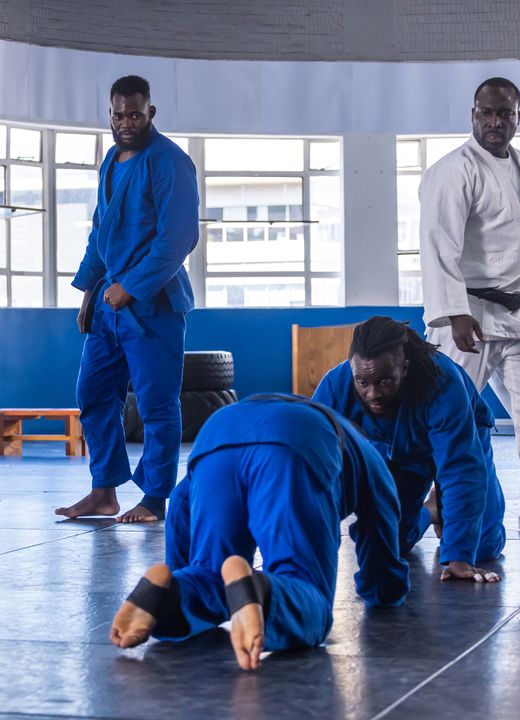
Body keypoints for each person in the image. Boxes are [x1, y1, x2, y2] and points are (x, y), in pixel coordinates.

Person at [109, 394, 410, 671]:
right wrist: (385, 592)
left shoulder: (306, 411)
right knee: (304, 586)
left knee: (211, 573)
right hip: (294, 443)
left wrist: (177, 576)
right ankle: (261, 592)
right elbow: (381, 538)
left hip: (216, 435)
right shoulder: (369, 455)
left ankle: (169, 602)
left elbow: (181, 500)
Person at [419, 77, 520, 536]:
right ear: (473, 114)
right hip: (468, 315)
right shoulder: (453, 170)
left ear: (518, 117)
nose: (495, 122)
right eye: (486, 113)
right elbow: (437, 244)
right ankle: (418, 505)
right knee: (446, 415)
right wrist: (452, 311)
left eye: (504, 114)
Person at [55, 75, 199, 524]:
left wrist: (131, 287)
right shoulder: (112, 160)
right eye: (118, 114)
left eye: (135, 114)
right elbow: (102, 229)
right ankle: (104, 490)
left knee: (157, 404)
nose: (126, 122)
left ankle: (156, 498)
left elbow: (179, 237)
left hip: (154, 305)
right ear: (110, 113)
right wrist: (89, 289)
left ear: (150, 112)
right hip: (108, 304)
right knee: (94, 394)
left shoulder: (170, 161)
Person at [314, 316, 505, 582]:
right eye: (362, 382)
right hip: (399, 452)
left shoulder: (443, 383)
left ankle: (457, 523)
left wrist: (459, 557)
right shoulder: (336, 386)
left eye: (384, 381)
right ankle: (433, 509)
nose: (372, 394)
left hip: (461, 440)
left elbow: (461, 470)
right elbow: (312, 463)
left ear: (404, 368)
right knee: (392, 545)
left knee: (481, 549)